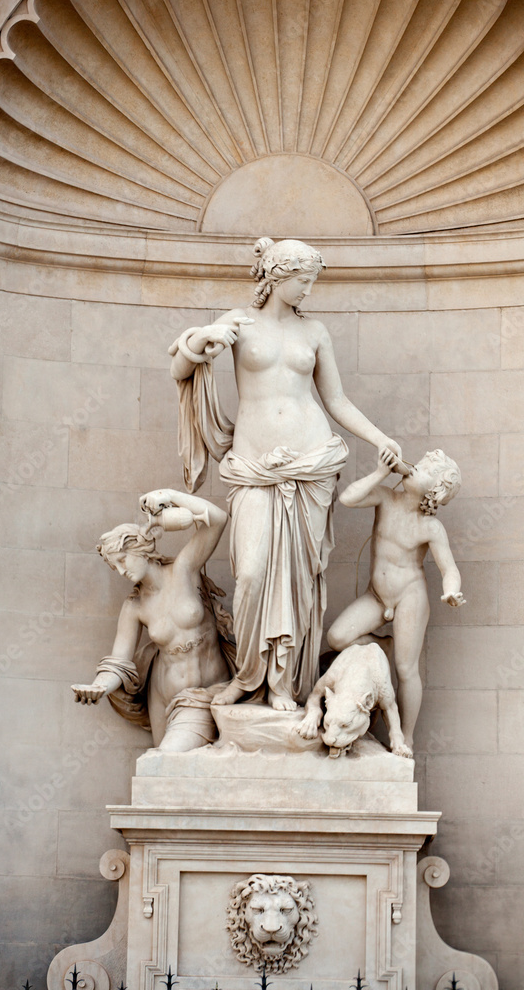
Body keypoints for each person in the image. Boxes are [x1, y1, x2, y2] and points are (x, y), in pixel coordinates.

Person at [169, 237, 402, 711]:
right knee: (252, 574)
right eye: (302, 281)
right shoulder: (238, 322)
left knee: (298, 580)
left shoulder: (314, 332)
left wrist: (379, 438)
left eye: (312, 282)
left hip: (311, 463)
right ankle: (248, 675)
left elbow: (335, 401)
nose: (308, 291)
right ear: (276, 276)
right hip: (254, 468)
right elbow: (180, 367)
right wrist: (200, 340)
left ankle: (282, 684)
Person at [71, 490, 234, 751]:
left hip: (212, 690)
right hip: (165, 698)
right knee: (163, 774)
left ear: (140, 548)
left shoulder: (185, 569)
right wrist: (99, 687)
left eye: (123, 560)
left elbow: (217, 519)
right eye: (116, 567)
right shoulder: (134, 606)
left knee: (166, 762)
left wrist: (168, 495)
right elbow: (118, 662)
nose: (122, 571)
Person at [326, 448, 465, 750]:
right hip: (376, 596)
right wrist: (379, 472)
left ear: (436, 490)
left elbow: (449, 568)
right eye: (420, 461)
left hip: (409, 598)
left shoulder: (430, 527)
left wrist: (451, 589)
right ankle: (384, 645)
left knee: (406, 669)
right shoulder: (386, 498)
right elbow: (348, 498)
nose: (415, 466)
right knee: (337, 637)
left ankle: (407, 738)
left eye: (426, 468)